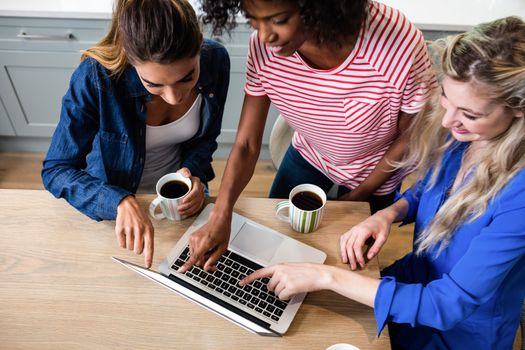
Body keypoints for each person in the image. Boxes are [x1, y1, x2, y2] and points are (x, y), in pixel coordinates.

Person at [240, 16, 525, 349]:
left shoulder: (518, 194)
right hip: (408, 285)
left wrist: (326, 276)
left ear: (518, 107)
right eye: (446, 98)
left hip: (459, 332)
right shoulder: (467, 136)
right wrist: (387, 214)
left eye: (470, 113)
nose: (448, 121)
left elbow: (448, 305)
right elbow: (427, 191)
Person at [179, 0, 435, 272]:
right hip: (309, 152)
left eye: (277, 20)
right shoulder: (264, 48)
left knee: (344, 264)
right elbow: (246, 144)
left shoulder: (396, 43)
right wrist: (221, 213)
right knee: (275, 241)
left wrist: (359, 195)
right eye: (254, 20)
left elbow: (413, 134)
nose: (265, 36)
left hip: (374, 171)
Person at [41, 0, 230, 268]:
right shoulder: (95, 77)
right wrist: (117, 201)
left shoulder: (215, 60)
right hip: (113, 205)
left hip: (181, 202)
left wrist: (193, 173)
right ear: (130, 59)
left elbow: (205, 140)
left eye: (187, 78)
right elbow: (56, 169)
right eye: (153, 84)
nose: (174, 98)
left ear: (199, 43)